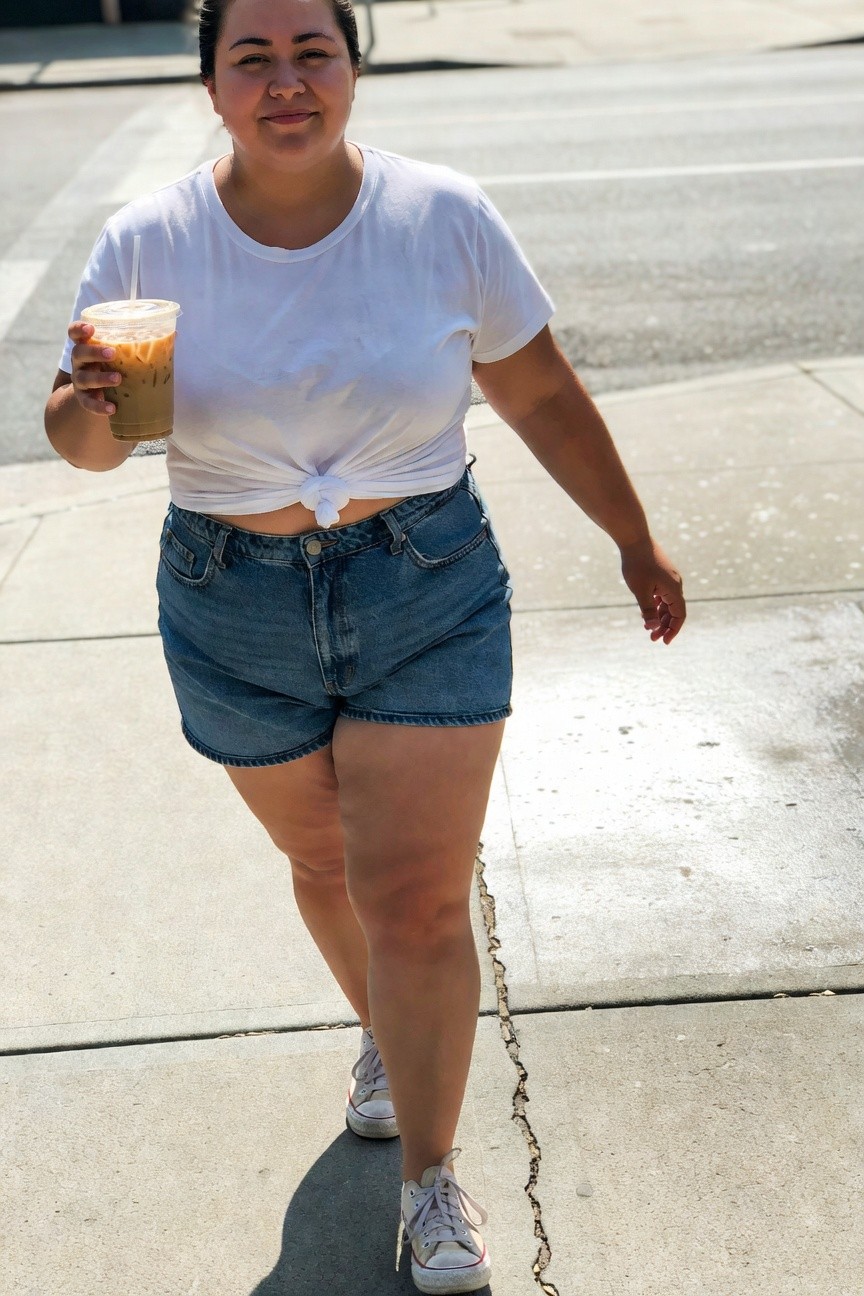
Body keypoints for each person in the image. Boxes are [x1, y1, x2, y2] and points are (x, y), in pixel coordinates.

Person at [45, 0, 685, 1289]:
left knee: (414, 895)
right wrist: (84, 411)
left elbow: (540, 386)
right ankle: (389, 1039)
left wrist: (632, 534)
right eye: (252, 59)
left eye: (313, 53)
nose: (286, 82)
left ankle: (432, 1179)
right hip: (232, 595)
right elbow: (92, 446)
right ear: (211, 89)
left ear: (354, 68)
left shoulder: (440, 217)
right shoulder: (148, 238)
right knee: (325, 865)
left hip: (423, 580)